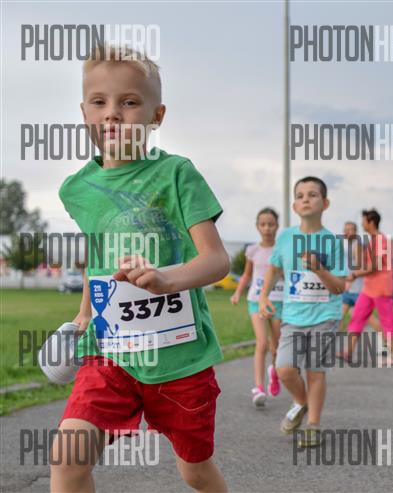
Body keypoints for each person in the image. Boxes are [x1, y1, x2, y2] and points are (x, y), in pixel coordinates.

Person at [53, 44, 229, 491]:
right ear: (84, 112)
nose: (112, 113)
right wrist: (83, 314)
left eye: (129, 102)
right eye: (99, 101)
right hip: (110, 354)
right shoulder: (76, 189)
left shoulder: (176, 174)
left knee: (195, 472)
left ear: (157, 115)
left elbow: (216, 259)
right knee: (68, 458)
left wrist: (166, 279)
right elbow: (98, 255)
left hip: (180, 358)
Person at [258, 176, 347, 448]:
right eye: (300, 195)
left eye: (312, 194)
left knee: (315, 371)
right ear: (294, 206)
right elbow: (274, 267)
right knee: (284, 369)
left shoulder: (332, 242)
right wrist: (263, 296)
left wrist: (319, 269)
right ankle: (301, 401)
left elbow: (339, 287)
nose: (305, 199)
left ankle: (313, 425)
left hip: (324, 316)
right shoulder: (286, 237)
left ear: (325, 203)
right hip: (293, 317)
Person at [231, 207, 284, 407]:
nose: (267, 228)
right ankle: (259, 387)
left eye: (271, 224)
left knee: (276, 346)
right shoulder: (252, 250)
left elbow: (287, 274)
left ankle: (275, 372)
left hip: (278, 301)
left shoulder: (281, 249)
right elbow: (246, 275)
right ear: (257, 226)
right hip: (256, 300)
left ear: (277, 226)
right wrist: (237, 292)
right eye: (263, 224)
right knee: (262, 343)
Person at [341, 209, 393, 363]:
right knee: (357, 317)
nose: (362, 224)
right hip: (368, 288)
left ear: (371, 222)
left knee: (387, 321)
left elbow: (375, 266)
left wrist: (355, 275)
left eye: (364, 221)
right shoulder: (372, 240)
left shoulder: (380, 240)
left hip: (381, 287)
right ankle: (348, 352)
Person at [340, 221, 364, 328]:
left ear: (355, 232)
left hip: (357, 289)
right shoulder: (347, 246)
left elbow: (360, 267)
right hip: (348, 289)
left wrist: (349, 281)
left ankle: (388, 334)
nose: (347, 232)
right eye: (345, 230)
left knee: (365, 318)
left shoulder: (357, 246)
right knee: (340, 316)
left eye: (350, 230)